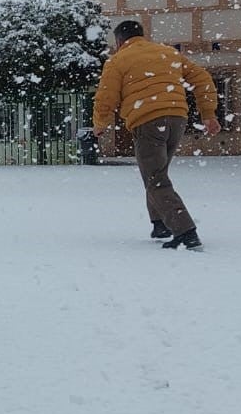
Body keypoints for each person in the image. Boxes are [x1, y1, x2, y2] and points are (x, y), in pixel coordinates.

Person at [92, 19, 220, 250]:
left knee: (155, 178)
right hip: (177, 118)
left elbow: (106, 96)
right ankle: (160, 223)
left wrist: (100, 122)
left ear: (119, 41)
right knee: (156, 174)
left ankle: (186, 232)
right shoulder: (167, 53)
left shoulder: (118, 60)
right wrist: (208, 114)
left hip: (148, 121)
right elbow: (202, 79)